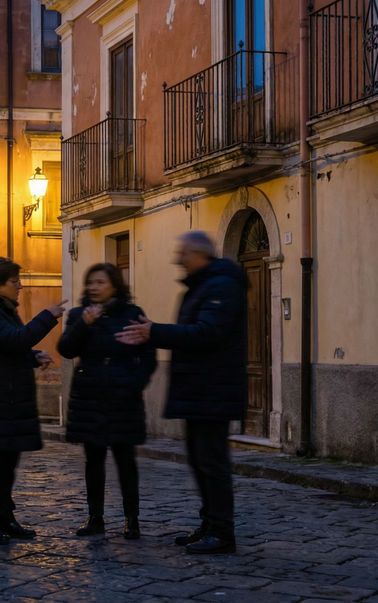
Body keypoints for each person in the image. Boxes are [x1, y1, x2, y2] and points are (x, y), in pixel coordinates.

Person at [116, 231, 247, 555]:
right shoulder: (205, 285)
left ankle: (221, 531)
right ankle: (209, 524)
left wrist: (154, 332)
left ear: (199, 254)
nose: (178, 259)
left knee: (212, 462)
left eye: (183, 254)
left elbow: (208, 332)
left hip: (212, 389)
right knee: (200, 460)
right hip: (201, 388)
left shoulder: (221, 286)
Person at [0, 256, 66, 546]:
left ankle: (4, 517)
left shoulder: (1, 308)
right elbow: (14, 340)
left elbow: (8, 346)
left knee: (7, 462)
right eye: (14, 281)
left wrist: (34, 356)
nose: (19, 286)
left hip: (9, 398)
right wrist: (47, 315)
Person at [58, 263, 157, 540]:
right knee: (94, 460)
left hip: (123, 397)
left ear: (114, 285)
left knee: (126, 460)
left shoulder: (132, 313)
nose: (94, 287)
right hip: (89, 395)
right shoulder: (79, 314)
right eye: (91, 282)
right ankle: (95, 517)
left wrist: (132, 383)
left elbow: (147, 356)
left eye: (100, 282)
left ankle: (131, 519)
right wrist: (84, 324)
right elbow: (66, 349)